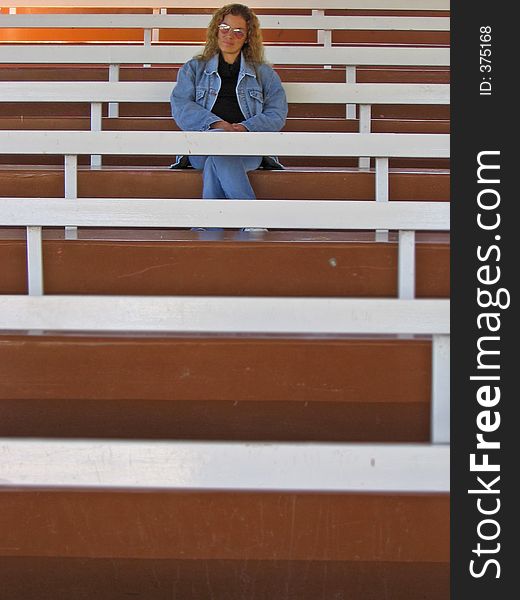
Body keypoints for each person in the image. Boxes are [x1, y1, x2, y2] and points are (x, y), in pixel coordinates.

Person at [170, 3, 288, 232]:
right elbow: (181, 106)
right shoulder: (194, 68)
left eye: (238, 31)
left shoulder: (264, 74)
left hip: (248, 148)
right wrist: (216, 125)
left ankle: (209, 224)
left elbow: (276, 114)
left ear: (247, 37)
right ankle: (251, 220)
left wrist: (244, 128)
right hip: (203, 147)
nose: (229, 35)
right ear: (216, 29)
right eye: (224, 27)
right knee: (217, 145)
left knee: (220, 156)